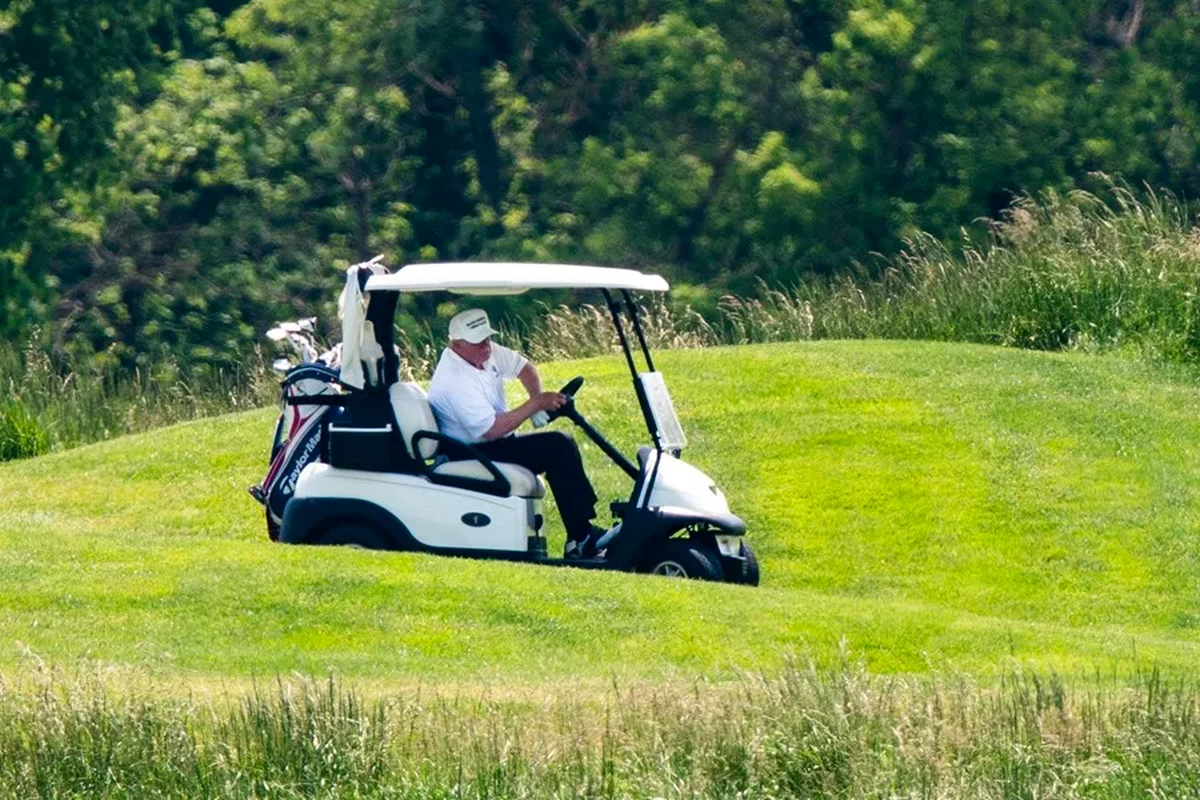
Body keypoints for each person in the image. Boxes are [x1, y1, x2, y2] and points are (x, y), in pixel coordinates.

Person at [427, 308, 606, 558]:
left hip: (492, 444)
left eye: (488, 338)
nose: (487, 346)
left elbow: (525, 368)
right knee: (558, 445)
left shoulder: (484, 353)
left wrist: (536, 398)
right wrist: (536, 404)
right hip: (471, 452)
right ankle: (581, 537)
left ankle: (582, 532)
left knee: (559, 445)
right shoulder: (454, 380)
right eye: (479, 342)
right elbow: (491, 430)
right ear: (457, 345)